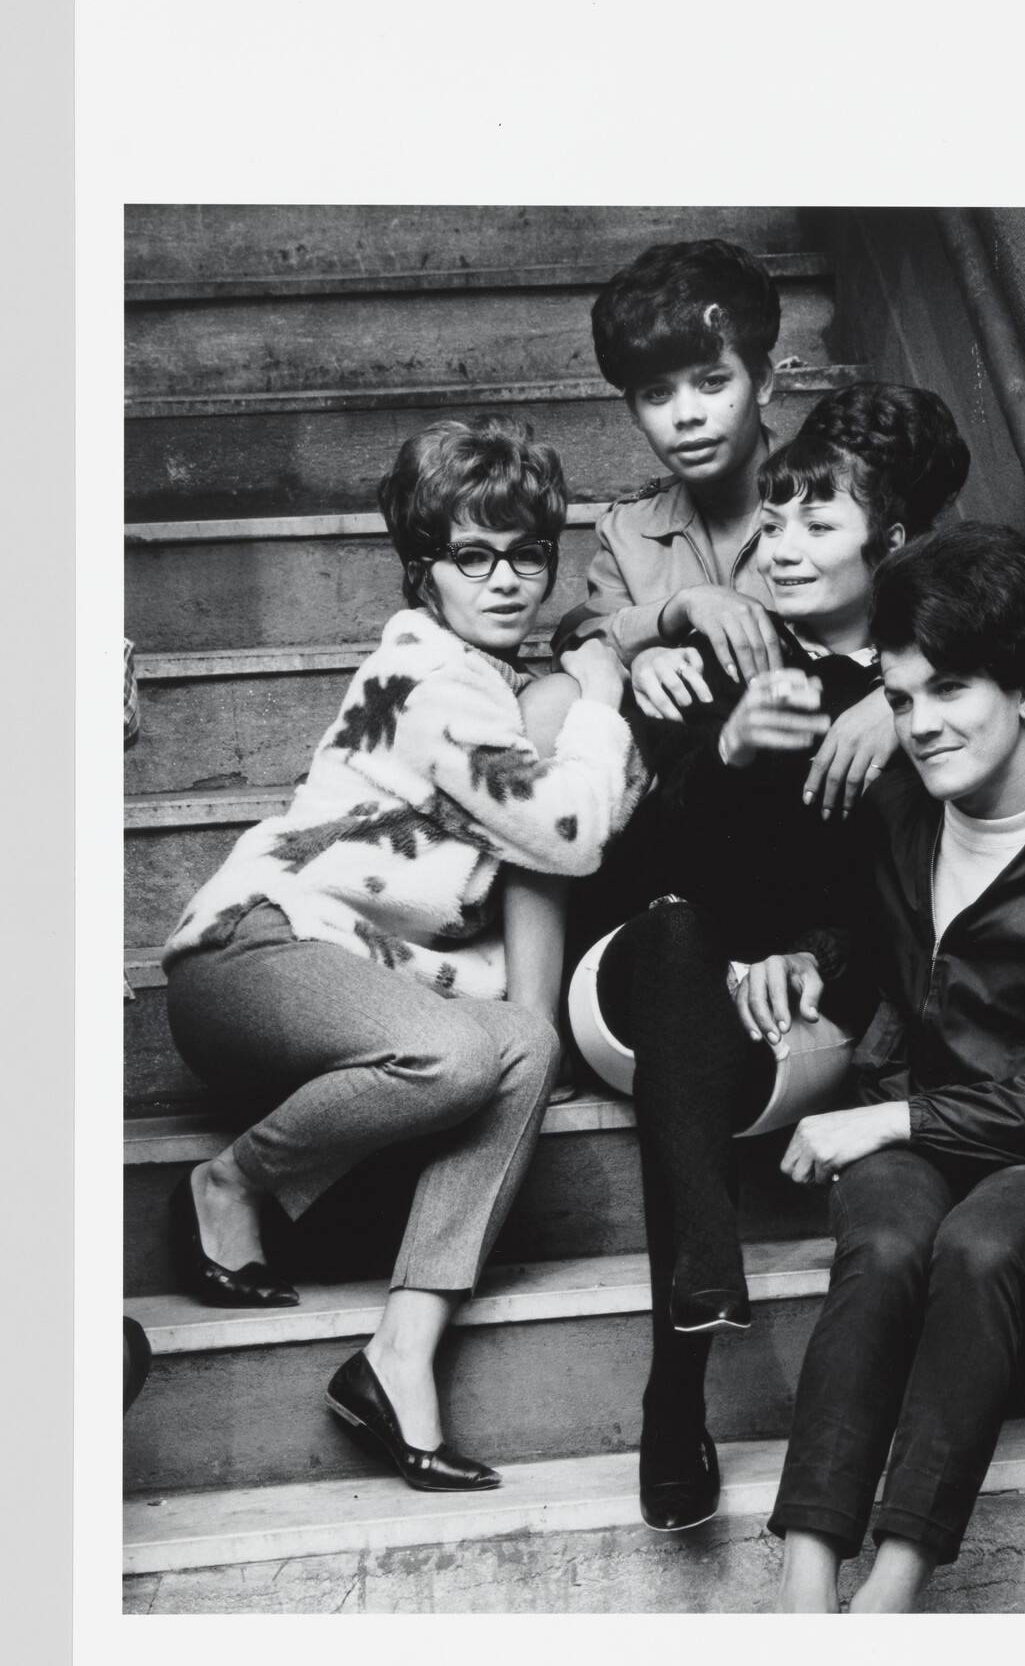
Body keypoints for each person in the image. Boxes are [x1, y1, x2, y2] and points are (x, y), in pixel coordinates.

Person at [161, 417, 644, 1492]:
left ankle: (401, 1350)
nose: (508, 579)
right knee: (456, 1055)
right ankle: (233, 1180)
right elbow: (569, 832)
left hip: (353, 978)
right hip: (252, 952)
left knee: (522, 1038)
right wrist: (601, 699)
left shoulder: (481, 676)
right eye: (475, 554)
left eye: (529, 552)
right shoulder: (436, 679)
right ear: (425, 568)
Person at [555, 382, 970, 1532]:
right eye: (771, 522)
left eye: (811, 525)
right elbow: (633, 871)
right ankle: (678, 1366)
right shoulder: (724, 653)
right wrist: (726, 750)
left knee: (724, 968)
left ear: (891, 542)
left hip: (781, 1033)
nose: (776, 549)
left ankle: (690, 1315)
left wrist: (895, 704)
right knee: (683, 922)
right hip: (637, 988)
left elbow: (887, 906)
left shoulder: (929, 694)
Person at [768, 523, 1025, 1610]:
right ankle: (804, 1588)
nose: (919, 724)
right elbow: (864, 944)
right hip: (916, 1124)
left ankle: (892, 1588)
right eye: (901, 697)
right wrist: (804, 964)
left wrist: (891, 1121)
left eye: (948, 689)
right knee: (889, 1234)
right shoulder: (899, 817)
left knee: (981, 1243)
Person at [559, 237, 900, 821]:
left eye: (712, 381)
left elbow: (961, 610)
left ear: (763, 381)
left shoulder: (839, 496)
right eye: (657, 393)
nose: (687, 415)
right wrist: (661, 630)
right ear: (633, 411)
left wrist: (896, 704)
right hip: (696, 799)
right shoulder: (630, 528)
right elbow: (581, 635)